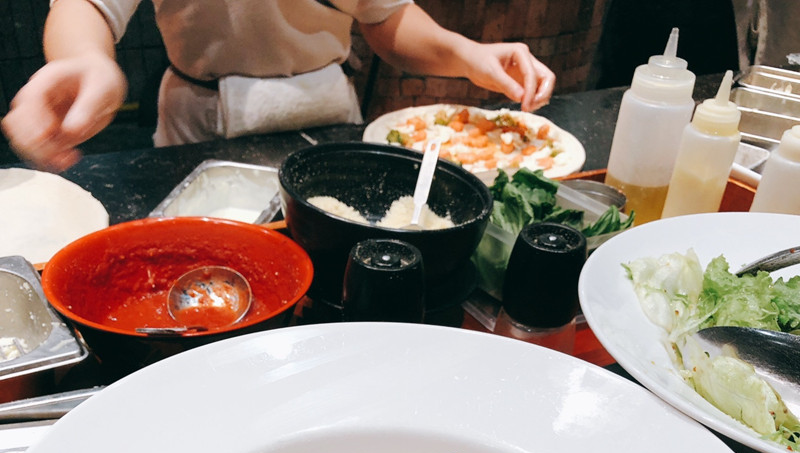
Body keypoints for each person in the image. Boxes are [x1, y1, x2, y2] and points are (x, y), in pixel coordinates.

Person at [1, 0, 556, 172]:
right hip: (201, 128)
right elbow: (85, 6)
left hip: (329, 121)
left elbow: (384, 18)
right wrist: (84, 60)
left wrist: (466, 53)